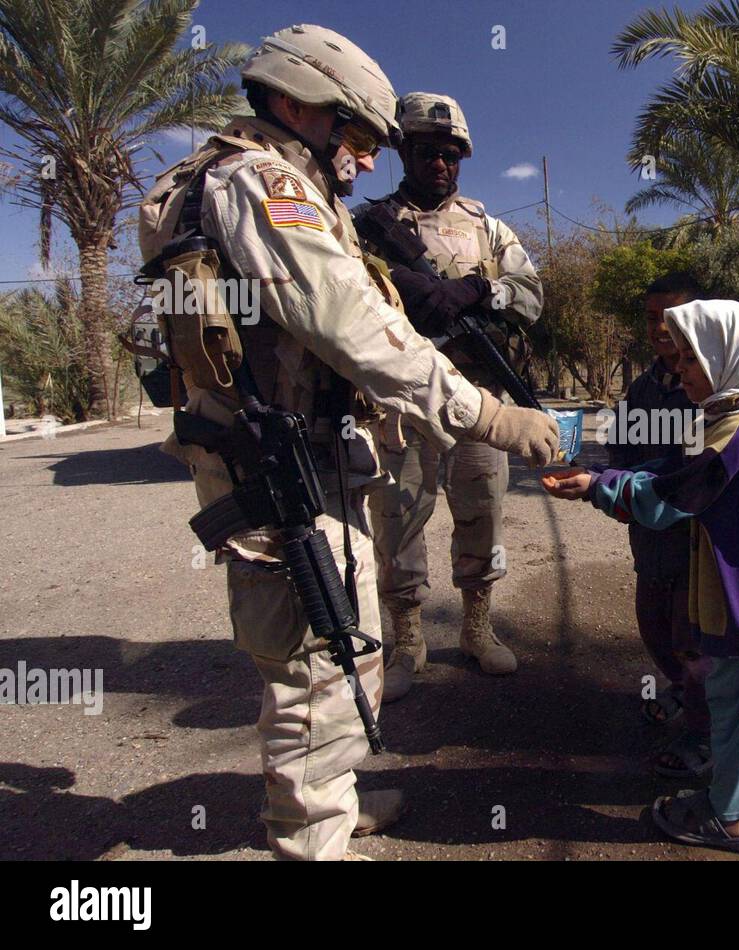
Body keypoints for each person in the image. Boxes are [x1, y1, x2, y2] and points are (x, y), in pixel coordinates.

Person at [140, 26, 558, 861]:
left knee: (330, 651)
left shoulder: (260, 180)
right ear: (295, 104)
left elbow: (510, 295)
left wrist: (476, 297)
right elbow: (353, 326)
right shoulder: (264, 182)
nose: (369, 160)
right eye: (359, 137)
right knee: (311, 669)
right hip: (281, 472)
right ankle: (314, 845)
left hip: (301, 457)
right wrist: (486, 413)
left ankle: (330, 801)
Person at [545, 300, 739, 856]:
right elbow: (675, 470)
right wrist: (606, 475)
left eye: (692, 358)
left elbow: (673, 496)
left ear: (724, 355)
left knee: (735, 703)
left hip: (737, 596)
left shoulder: (735, 428)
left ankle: (730, 818)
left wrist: (597, 487)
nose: (680, 369)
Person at [354, 93, 543, 696]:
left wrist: (481, 293)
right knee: (400, 518)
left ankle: (477, 629)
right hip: (404, 401)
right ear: (402, 152)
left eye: (452, 155)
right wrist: (410, 293)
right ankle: (407, 641)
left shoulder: (488, 227)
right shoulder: (369, 225)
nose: (441, 164)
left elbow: (531, 296)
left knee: (483, 511)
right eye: (428, 152)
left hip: (480, 400)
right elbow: (346, 297)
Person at [605, 272, 712, 780]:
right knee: (654, 631)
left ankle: (705, 737)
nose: (660, 330)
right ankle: (684, 691)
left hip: (699, 546)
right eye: (652, 319)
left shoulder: (716, 390)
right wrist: (611, 485)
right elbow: (621, 452)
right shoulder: (643, 388)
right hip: (650, 539)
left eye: (671, 319)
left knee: (693, 643)